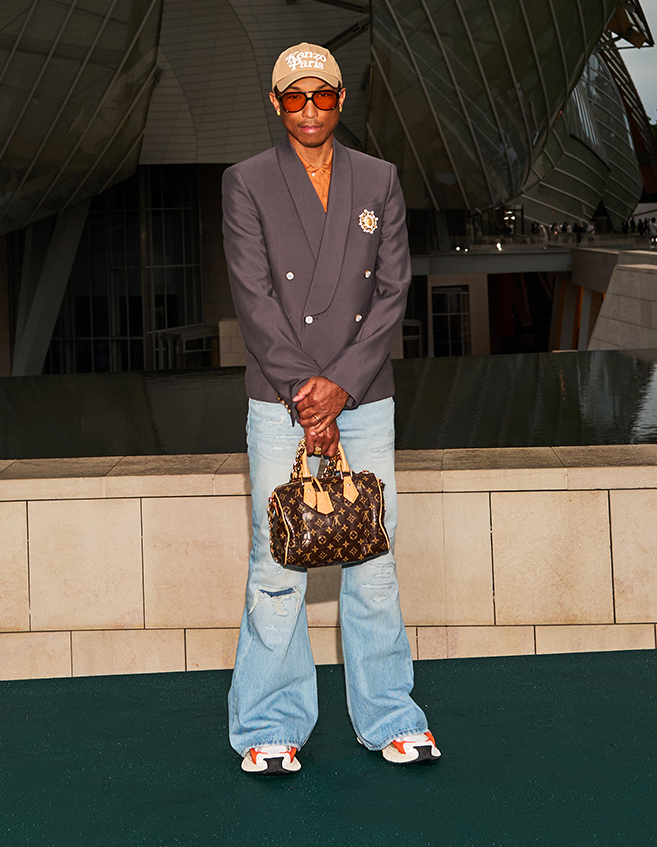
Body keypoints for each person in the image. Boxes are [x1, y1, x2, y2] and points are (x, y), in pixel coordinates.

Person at [222, 42, 440, 776]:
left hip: (364, 395)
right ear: (276, 104)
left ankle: (389, 712)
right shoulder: (245, 181)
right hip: (280, 400)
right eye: (294, 97)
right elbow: (253, 298)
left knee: (372, 554)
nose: (309, 108)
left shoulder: (379, 178)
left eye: (322, 95)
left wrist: (341, 385)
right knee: (277, 561)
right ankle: (268, 721)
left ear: (342, 101)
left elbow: (393, 293)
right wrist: (307, 395)